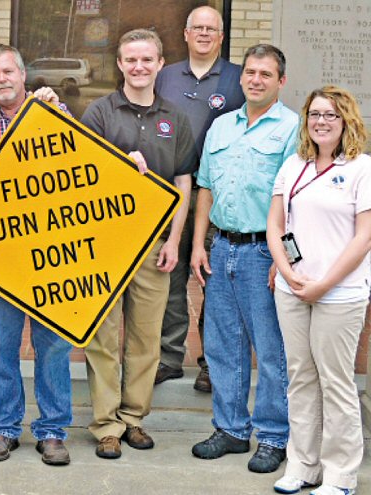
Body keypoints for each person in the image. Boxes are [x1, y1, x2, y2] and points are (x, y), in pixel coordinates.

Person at [0, 43, 73, 466]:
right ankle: (4, 427)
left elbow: (85, 170)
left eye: (8, 72)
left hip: (51, 252)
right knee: (2, 347)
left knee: (53, 347)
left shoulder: (54, 114)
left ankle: (53, 430)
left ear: (23, 76)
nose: (1, 79)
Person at [80, 28, 196, 459]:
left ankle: (134, 419)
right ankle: (106, 424)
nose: (139, 66)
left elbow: (183, 182)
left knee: (147, 337)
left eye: (147, 59)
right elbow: (83, 179)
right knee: (103, 337)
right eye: (131, 59)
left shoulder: (175, 117)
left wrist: (174, 239)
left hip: (154, 246)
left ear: (160, 64)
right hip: (106, 245)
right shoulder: (99, 112)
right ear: (120, 64)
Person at [190, 44, 298, 474]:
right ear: (242, 77)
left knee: (271, 352)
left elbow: (297, 199)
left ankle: (274, 437)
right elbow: (205, 188)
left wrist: (285, 259)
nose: (255, 80)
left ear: (280, 82)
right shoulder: (220, 127)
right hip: (222, 248)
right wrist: (199, 244)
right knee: (222, 346)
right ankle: (232, 429)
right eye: (250, 72)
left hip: (262, 253)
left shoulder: (293, 129)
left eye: (265, 74)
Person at [267, 86, 370, 495]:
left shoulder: (362, 168)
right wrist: (286, 272)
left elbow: (364, 238)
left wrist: (324, 283)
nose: (321, 122)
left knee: (336, 381)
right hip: (292, 291)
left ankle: (340, 474)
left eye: (330, 115)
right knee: (300, 378)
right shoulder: (294, 165)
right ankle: (303, 466)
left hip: (340, 295)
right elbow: (275, 225)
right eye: (314, 114)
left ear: (346, 121)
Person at [154, 5, 244, 392]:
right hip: (169, 192)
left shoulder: (240, 79)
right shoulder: (164, 76)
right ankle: (168, 357)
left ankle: (211, 361)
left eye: (212, 29)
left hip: (217, 194)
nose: (205, 34)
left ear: (221, 37)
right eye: (198, 28)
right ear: (186, 34)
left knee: (215, 278)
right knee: (169, 273)